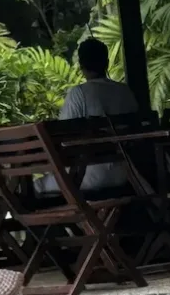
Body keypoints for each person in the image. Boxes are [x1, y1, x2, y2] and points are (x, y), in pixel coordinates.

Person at [36, 38, 140, 195]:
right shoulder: (125, 92)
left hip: (86, 176)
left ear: (81, 66)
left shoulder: (78, 94)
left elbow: (63, 139)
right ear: (106, 63)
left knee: (37, 186)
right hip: (126, 174)